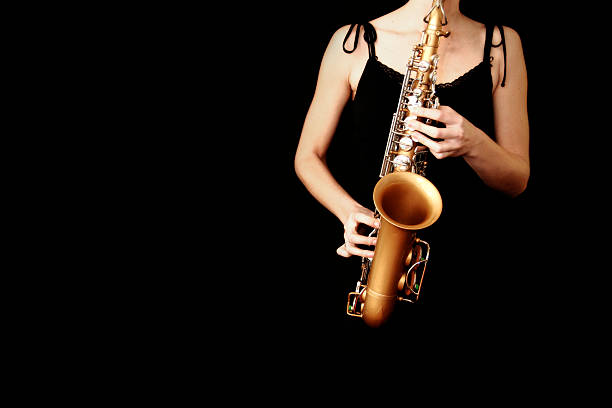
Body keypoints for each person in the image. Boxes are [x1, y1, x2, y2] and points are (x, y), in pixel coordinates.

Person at [294, 0, 529, 329]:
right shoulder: (354, 41)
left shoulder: (502, 43)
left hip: (476, 269)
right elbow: (308, 156)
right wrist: (348, 212)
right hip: (373, 259)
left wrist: (474, 143)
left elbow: (517, 179)